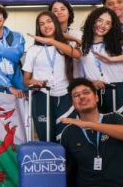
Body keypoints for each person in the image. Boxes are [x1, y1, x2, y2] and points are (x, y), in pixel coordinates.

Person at [78, 7, 123, 121]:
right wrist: (91, 82)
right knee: (98, 129)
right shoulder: (82, 47)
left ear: (112, 27)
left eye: (108, 23)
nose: (103, 25)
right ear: (92, 21)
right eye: (99, 20)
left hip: (119, 92)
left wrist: (113, 59)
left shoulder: (118, 44)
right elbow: (78, 76)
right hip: (94, 93)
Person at [22, 11, 81, 141]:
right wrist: (33, 81)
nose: (46, 26)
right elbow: (25, 81)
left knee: (67, 136)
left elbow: (78, 54)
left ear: (56, 24)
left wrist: (51, 40)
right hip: (42, 96)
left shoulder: (65, 47)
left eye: (49, 21)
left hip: (65, 95)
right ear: (39, 28)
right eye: (41, 24)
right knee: (46, 137)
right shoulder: (33, 50)